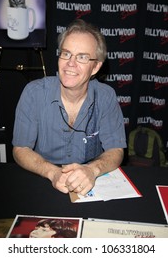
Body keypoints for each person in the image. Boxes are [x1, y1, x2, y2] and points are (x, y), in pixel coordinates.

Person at [12, 19, 127, 196]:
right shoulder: (33, 93)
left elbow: (116, 149)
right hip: (43, 175)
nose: (70, 63)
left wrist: (92, 170)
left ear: (95, 66)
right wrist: (53, 173)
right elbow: (20, 149)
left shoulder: (106, 96)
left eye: (81, 57)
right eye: (66, 54)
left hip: (90, 179)